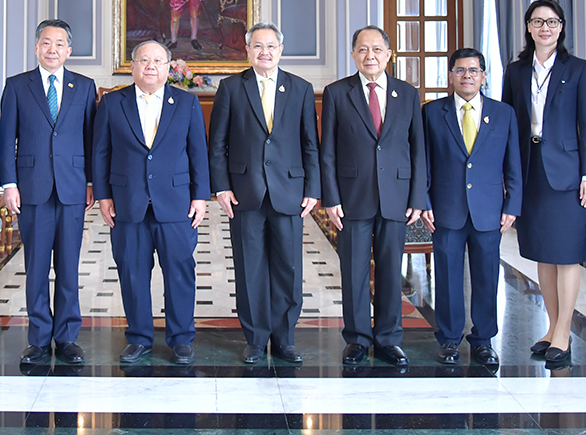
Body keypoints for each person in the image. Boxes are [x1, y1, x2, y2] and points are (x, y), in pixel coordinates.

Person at [208, 22, 320, 364]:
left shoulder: (300, 88)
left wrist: (313, 189)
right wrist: (221, 186)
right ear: (248, 50)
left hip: (289, 191)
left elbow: (310, 144)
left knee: (288, 268)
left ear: (281, 50)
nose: (265, 52)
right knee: (250, 267)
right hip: (245, 193)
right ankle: (255, 338)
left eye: (271, 46)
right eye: (258, 46)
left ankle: (285, 338)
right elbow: (217, 144)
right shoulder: (231, 88)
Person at [92, 40, 210, 365]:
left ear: (168, 67)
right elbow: (101, 153)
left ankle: (181, 338)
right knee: (132, 272)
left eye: (158, 60)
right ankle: (140, 337)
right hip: (128, 203)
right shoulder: (113, 103)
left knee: (180, 272)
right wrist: (103, 195)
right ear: (132, 66)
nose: (150, 66)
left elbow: (199, 152)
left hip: (176, 203)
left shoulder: (186, 103)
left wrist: (201, 196)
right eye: (143, 60)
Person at [319, 25, 427, 367]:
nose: (370, 56)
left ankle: (388, 339)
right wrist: (330, 198)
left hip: (396, 195)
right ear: (353, 55)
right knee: (352, 272)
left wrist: (418, 197)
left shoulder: (407, 94)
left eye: (377, 49)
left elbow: (418, 149)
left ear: (388, 54)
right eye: (363, 50)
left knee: (391, 270)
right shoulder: (337, 93)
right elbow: (328, 152)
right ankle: (357, 339)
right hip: (352, 197)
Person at [500, 0, 586, 369]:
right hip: (530, 171)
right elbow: (509, 127)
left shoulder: (579, 70)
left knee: (567, 253)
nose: (545, 28)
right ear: (528, 27)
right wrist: (507, 177)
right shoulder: (515, 71)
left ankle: (563, 332)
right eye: (538, 22)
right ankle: (552, 327)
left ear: (562, 27)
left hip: (569, 173)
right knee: (541, 252)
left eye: (552, 22)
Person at [0, 19, 98, 366]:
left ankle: (67, 337)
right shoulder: (16, 86)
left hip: (72, 189)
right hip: (32, 190)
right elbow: (5, 139)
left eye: (59, 43)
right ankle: (39, 338)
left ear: (69, 50)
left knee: (69, 267)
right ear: (36, 47)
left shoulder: (85, 87)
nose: (52, 49)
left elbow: (91, 140)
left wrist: (90, 184)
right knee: (37, 267)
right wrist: (9, 184)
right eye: (46, 43)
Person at [422, 48, 521, 366]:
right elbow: (423, 162)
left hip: (489, 210)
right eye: (460, 70)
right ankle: (449, 339)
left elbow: (513, 163)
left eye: (474, 70)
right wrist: (423, 202)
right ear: (450, 75)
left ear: (484, 76)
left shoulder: (503, 113)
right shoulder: (432, 113)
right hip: (446, 208)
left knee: (487, 276)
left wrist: (513, 204)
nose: (467, 76)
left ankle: (483, 339)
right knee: (447, 276)